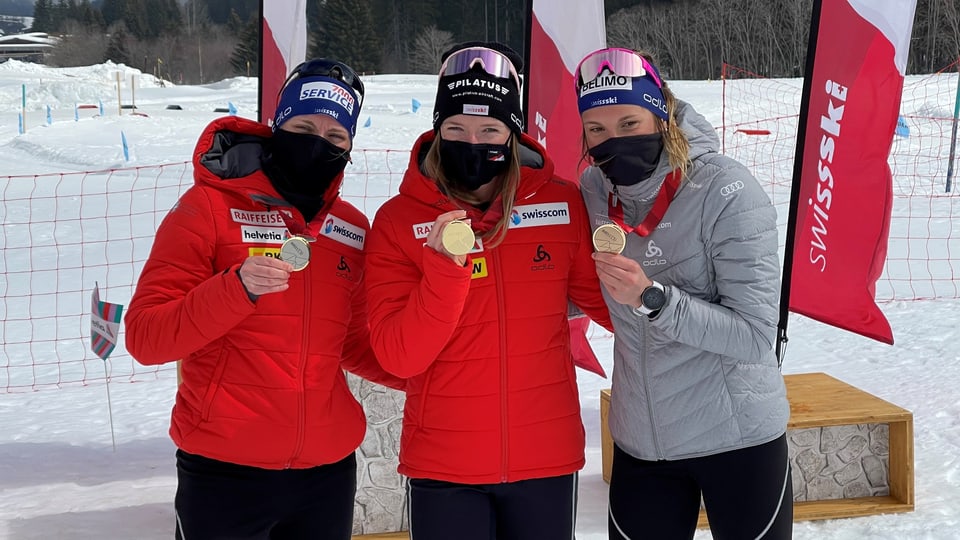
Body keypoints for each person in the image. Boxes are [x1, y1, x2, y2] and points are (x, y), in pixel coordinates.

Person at [125, 58, 404, 540]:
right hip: (224, 470)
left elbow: (356, 343)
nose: (319, 143)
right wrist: (236, 288)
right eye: (303, 127)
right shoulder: (206, 209)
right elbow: (146, 338)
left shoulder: (352, 230)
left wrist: (439, 374)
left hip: (327, 472)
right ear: (277, 127)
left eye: (337, 138)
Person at [363, 41, 613, 540]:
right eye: (455, 129)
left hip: (544, 455)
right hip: (445, 465)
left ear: (512, 132)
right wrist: (444, 270)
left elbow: (610, 306)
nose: (472, 142)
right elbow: (398, 356)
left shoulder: (561, 202)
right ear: (437, 130)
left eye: (490, 130)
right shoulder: (398, 220)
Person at [574, 48, 793, 540]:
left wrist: (654, 300)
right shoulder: (592, 187)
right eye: (597, 130)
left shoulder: (727, 189)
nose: (613, 141)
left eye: (630, 122)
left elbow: (757, 336)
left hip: (737, 440)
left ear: (662, 114)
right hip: (643, 443)